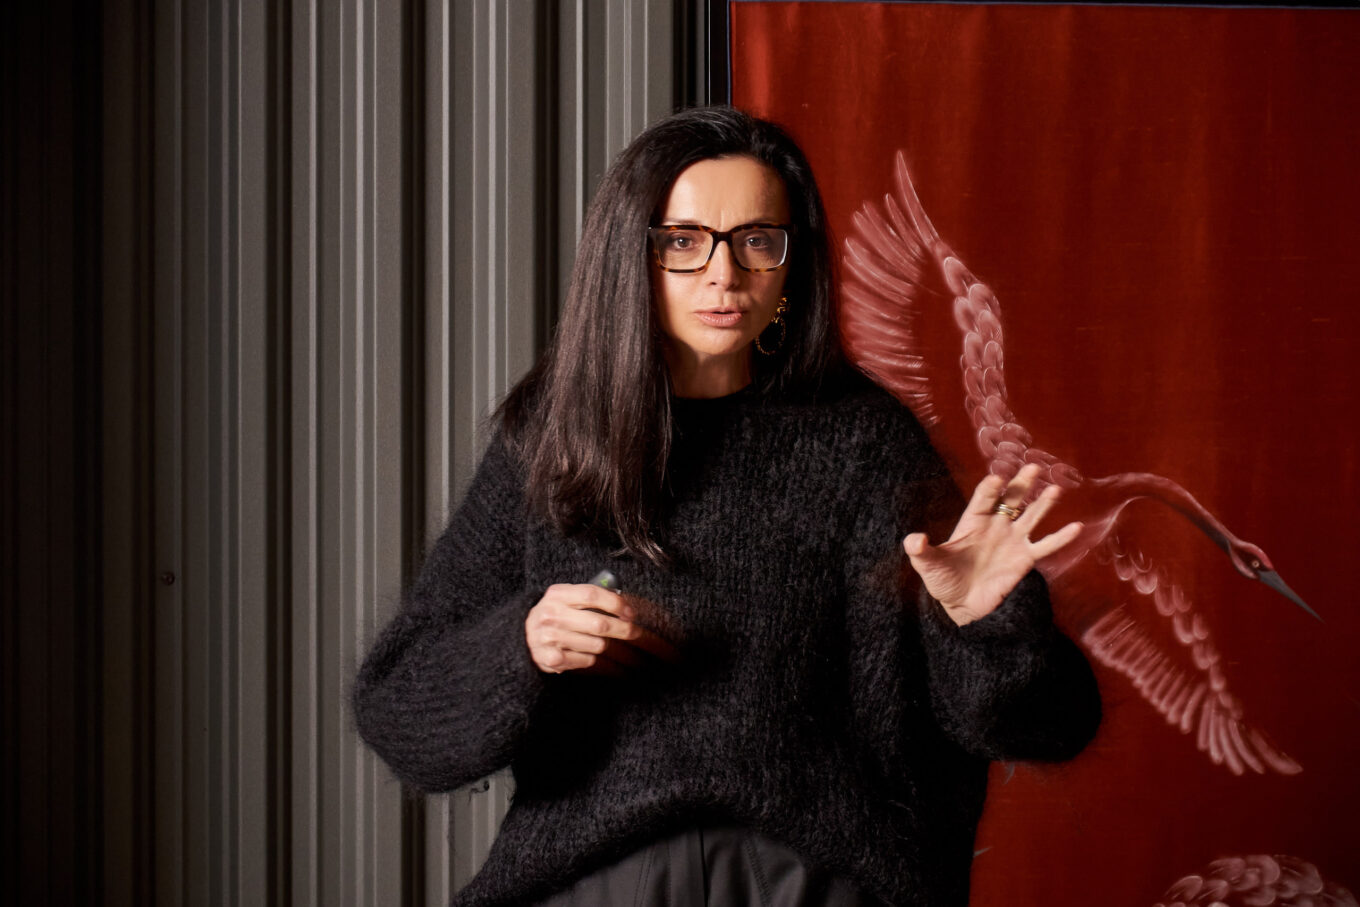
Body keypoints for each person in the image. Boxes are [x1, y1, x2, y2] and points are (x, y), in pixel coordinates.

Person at [352, 106, 1100, 906]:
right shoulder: (552, 438)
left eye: (756, 241)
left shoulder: (866, 443)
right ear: (629, 254)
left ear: (792, 261)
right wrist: (523, 643)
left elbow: (1052, 725)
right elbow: (400, 712)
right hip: (597, 876)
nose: (724, 274)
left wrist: (983, 625)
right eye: (683, 241)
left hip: (811, 878)